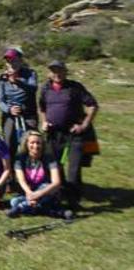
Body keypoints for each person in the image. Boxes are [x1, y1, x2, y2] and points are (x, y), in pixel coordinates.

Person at [38, 60, 99, 207]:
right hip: (54, 133)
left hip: (74, 134)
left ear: (65, 72)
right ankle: (61, 192)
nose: (57, 74)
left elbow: (92, 105)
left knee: (74, 167)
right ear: (49, 73)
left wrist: (84, 125)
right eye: (53, 71)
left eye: (60, 70)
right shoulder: (45, 89)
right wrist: (43, 122)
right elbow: (42, 108)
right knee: (55, 165)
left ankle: (74, 200)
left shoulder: (75, 87)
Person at [8, 131, 72, 219]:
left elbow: (56, 182)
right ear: (26, 144)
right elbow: (21, 180)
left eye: (38, 143)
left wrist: (38, 194)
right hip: (29, 191)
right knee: (14, 201)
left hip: (45, 191)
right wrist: (30, 193)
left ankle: (21, 208)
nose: (35, 146)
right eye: (32, 143)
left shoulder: (50, 158)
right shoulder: (20, 158)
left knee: (44, 187)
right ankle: (52, 211)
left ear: (43, 145)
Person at [0, 48, 38, 156]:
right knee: (8, 144)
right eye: (8, 61)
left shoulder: (30, 74)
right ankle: (11, 170)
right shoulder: (2, 78)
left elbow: (33, 88)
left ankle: (31, 170)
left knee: (31, 143)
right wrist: (9, 109)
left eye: (13, 60)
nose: (11, 63)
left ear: (20, 60)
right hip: (10, 114)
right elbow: (0, 100)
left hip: (28, 114)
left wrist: (17, 81)